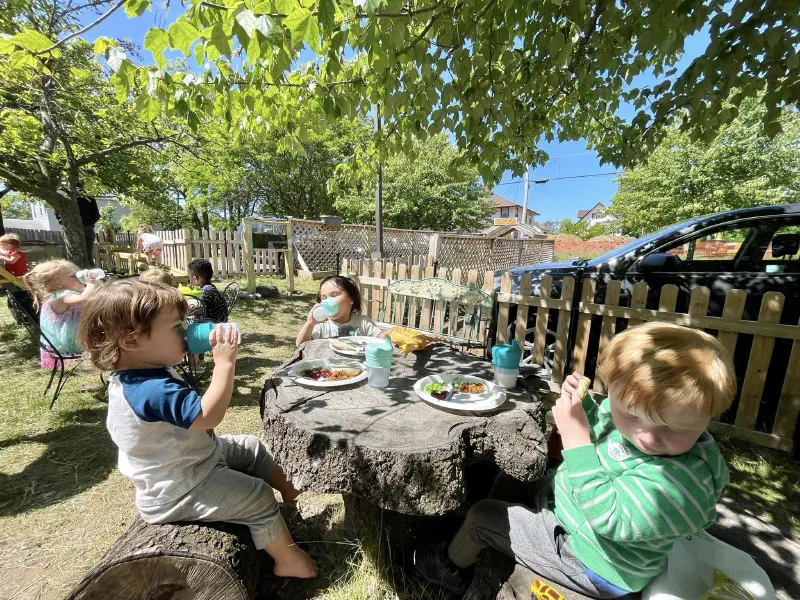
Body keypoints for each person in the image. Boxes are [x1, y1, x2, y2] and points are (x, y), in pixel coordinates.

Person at [414, 322, 737, 597]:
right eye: (628, 415)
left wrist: (576, 440)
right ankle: (477, 536)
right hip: (571, 515)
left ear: (709, 416)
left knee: (484, 515)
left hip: (592, 562)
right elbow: (605, 427)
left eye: (674, 429)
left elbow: (610, 519)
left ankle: (448, 566)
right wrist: (584, 409)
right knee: (511, 478)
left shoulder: (684, 484)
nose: (647, 436)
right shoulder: (640, 419)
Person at [76, 280, 317, 579]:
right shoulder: (149, 389)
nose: (187, 331)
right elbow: (207, 416)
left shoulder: (144, 370)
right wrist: (224, 365)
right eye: (177, 327)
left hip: (192, 457)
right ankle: (288, 560)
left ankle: (291, 494)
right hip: (180, 486)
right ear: (132, 340)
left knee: (250, 448)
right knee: (256, 495)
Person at [23, 260, 99, 368]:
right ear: (57, 283)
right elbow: (84, 300)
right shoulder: (60, 297)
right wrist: (91, 284)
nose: (80, 277)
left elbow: (95, 297)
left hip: (78, 339)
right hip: (68, 345)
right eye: (73, 276)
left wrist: (96, 285)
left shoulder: (74, 293)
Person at [295, 275, 389, 347]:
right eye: (324, 298)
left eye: (334, 295)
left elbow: (381, 337)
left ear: (351, 299)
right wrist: (310, 324)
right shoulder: (322, 326)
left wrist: (392, 333)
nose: (328, 301)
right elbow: (301, 345)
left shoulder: (362, 322)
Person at [187, 258, 228, 323]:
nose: (189, 280)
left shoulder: (205, 292)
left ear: (195, 278)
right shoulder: (210, 287)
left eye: (189, 278)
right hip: (219, 321)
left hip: (212, 324)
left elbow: (191, 310)